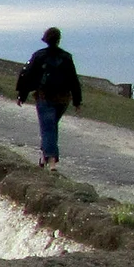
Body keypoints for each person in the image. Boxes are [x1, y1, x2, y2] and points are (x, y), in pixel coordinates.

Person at [15, 27, 84, 169]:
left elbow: (28, 76)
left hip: (45, 97)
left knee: (48, 128)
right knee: (50, 127)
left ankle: (51, 161)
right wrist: (77, 101)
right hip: (63, 99)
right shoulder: (66, 57)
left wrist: (22, 95)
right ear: (59, 39)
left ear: (45, 39)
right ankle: (43, 156)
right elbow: (73, 80)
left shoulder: (39, 56)